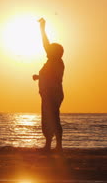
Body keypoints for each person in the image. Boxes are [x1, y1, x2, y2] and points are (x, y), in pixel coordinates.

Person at [32, 18, 65, 152]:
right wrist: (39, 77)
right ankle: (49, 145)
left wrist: (42, 28)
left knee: (53, 118)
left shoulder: (56, 62)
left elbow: (55, 78)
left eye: (50, 49)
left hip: (52, 94)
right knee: (48, 119)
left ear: (55, 52)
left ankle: (57, 146)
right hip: (49, 94)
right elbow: (51, 76)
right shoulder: (53, 62)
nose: (47, 50)